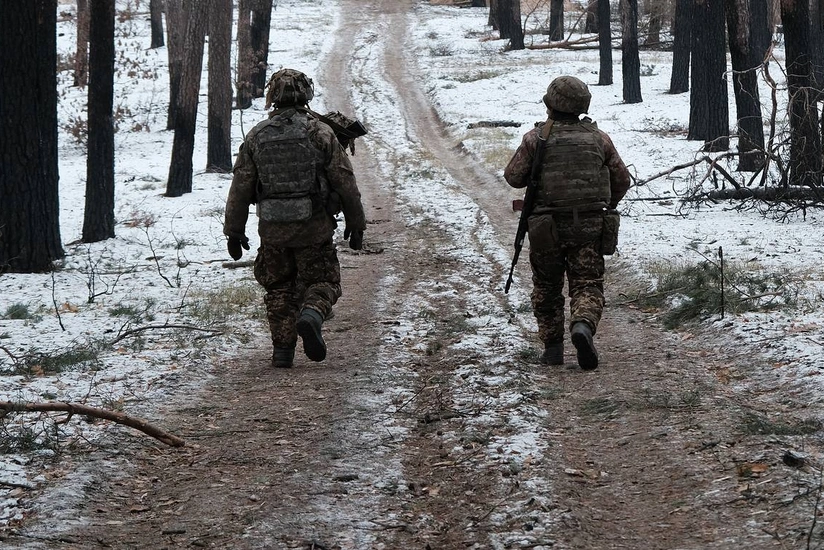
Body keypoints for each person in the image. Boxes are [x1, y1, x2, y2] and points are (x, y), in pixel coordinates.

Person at [223, 68, 367, 368]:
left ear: (272, 96)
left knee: (279, 287)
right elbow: (344, 180)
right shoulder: (321, 132)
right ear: (306, 94)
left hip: (272, 229)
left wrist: (234, 230)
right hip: (314, 227)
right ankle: (312, 313)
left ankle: (283, 350)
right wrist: (355, 222)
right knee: (323, 280)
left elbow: (241, 185)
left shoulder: (257, 136)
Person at [504, 75, 631, 370]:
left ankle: (552, 349)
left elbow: (513, 177)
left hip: (545, 227)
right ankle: (582, 325)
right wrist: (606, 205)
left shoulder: (536, 139)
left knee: (547, 286)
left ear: (550, 105)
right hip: (589, 227)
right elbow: (622, 180)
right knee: (587, 283)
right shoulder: (599, 138)